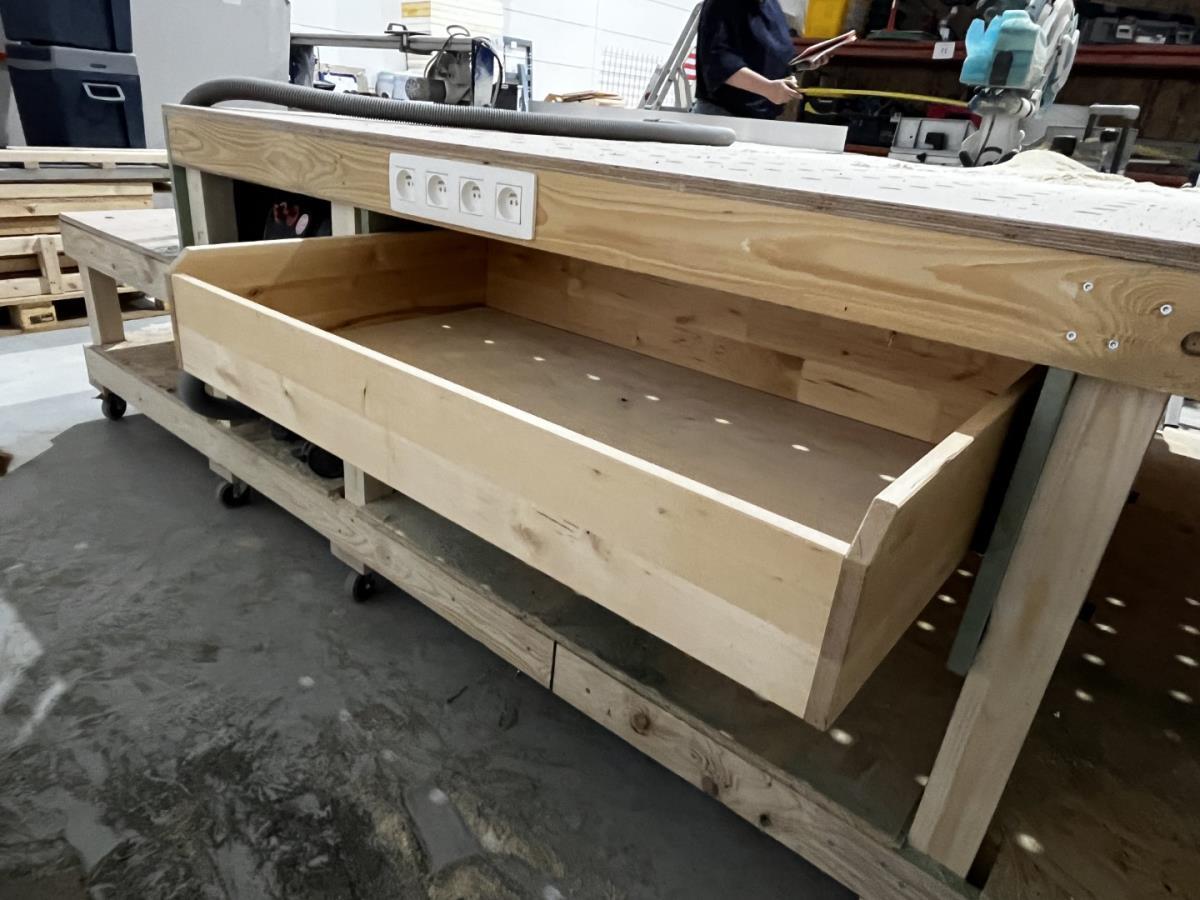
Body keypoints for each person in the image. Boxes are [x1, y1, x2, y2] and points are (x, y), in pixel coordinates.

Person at [692, 0, 802, 119]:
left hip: (762, 117)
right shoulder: (721, 4)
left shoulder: (771, 4)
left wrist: (804, 62)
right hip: (723, 116)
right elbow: (718, 63)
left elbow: (778, 50)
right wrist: (768, 88)